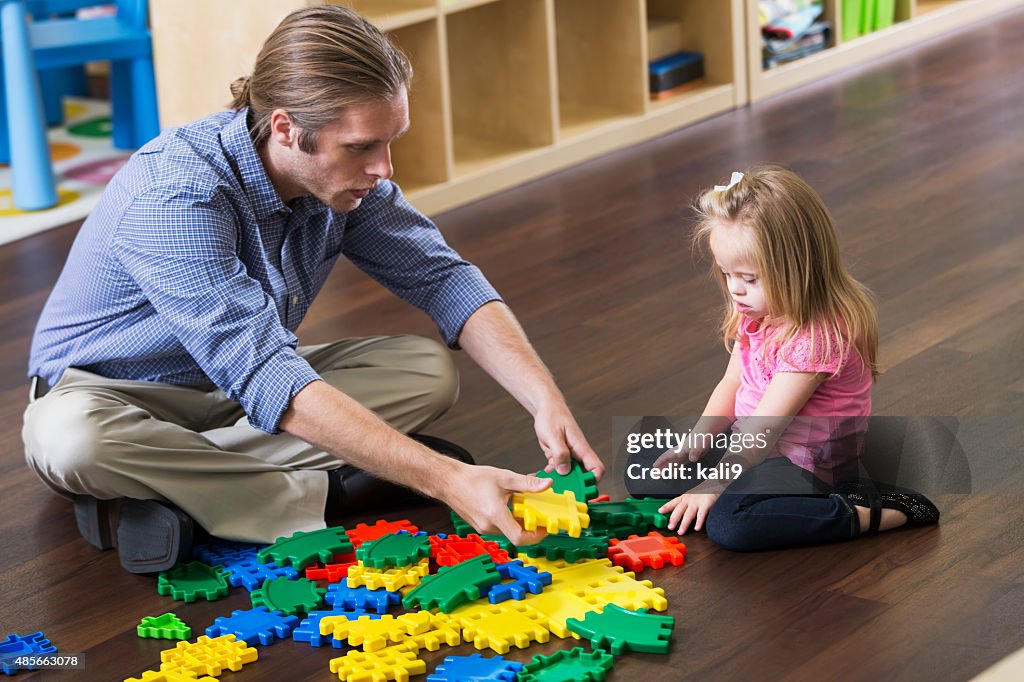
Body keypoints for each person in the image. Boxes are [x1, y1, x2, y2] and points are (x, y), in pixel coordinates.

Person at [22, 5, 603, 572]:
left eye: (389, 141)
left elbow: (443, 277)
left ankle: (180, 489)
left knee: (427, 370)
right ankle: (330, 496)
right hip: (113, 395)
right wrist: (446, 479)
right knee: (71, 442)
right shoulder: (176, 195)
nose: (385, 169)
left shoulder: (348, 183)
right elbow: (262, 369)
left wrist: (543, 398)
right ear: (286, 128)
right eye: (361, 147)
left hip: (230, 394)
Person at [654, 165, 938, 551]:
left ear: (798, 268)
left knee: (731, 525)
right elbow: (732, 383)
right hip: (753, 447)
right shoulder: (756, 310)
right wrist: (698, 440)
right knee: (647, 467)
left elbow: (764, 431)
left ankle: (870, 510)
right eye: (726, 274)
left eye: (750, 279)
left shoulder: (816, 337)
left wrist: (714, 485)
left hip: (810, 468)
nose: (735, 290)